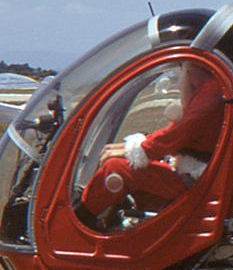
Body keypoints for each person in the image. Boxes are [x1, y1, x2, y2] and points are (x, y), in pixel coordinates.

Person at [77, 63, 225, 227]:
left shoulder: (211, 90)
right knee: (124, 168)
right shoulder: (211, 88)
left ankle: (79, 222)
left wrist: (135, 150)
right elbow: (175, 132)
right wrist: (129, 147)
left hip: (195, 182)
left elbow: (178, 133)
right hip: (197, 176)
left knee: (116, 167)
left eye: (183, 66)